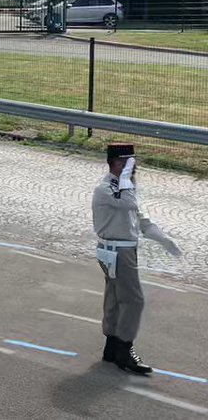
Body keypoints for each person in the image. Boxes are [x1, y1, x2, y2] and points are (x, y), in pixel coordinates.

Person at [94, 143, 183, 375]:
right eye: (127, 163)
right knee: (134, 301)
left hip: (118, 250)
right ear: (115, 163)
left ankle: (111, 347)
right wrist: (125, 179)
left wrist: (163, 239)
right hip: (117, 252)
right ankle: (125, 350)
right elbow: (129, 204)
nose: (131, 168)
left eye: (132, 164)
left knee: (115, 298)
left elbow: (140, 218)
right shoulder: (106, 189)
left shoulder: (123, 188)